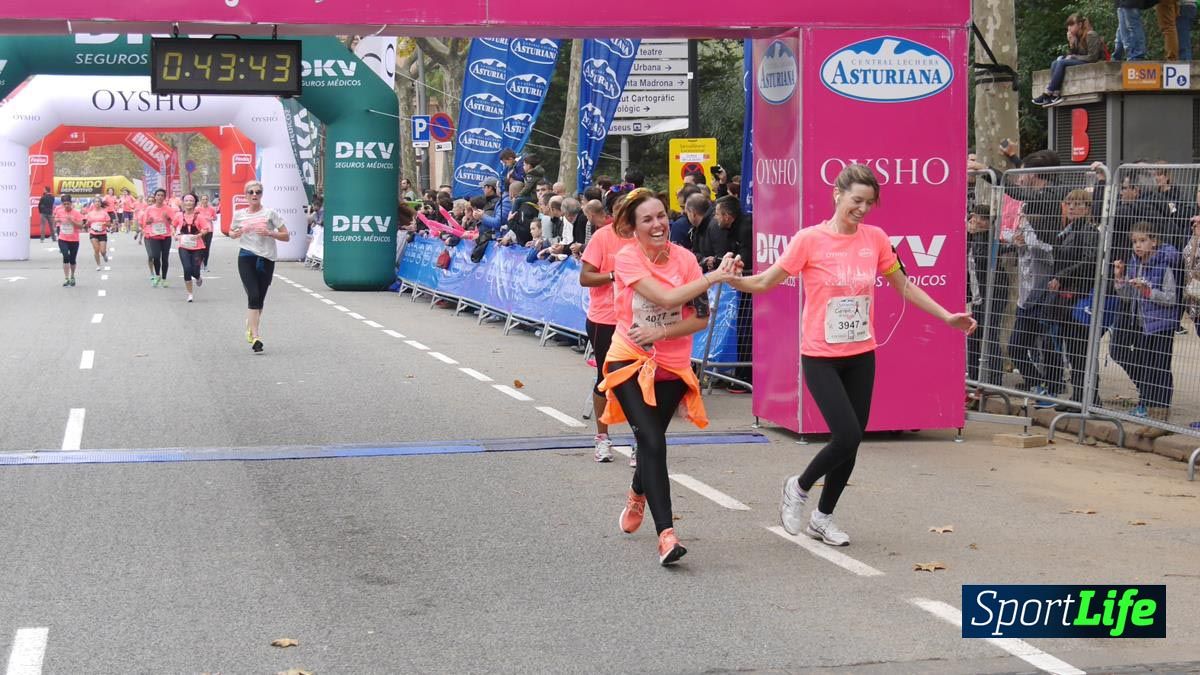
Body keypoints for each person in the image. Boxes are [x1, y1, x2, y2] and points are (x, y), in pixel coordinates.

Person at [725, 164, 976, 547]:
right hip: (820, 354)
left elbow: (903, 284)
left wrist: (947, 316)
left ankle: (822, 519)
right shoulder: (809, 240)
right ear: (837, 194)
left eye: (869, 203)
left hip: (861, 353)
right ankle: (798, 486)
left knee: (852, 442)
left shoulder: (874, 238)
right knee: (846, 434)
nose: (863, 209)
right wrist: (730, 280)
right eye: (857, 200)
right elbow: (765, 281)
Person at [599, 187, 738, 565]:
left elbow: (700, 317)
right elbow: (662, 298)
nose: (658, 224)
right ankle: (666, 535)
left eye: (661, 215)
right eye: (648, 219)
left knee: (651, 442)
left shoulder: (686, 261)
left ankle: (636, 494)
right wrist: (713, 277)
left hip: (672, 365)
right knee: (652, 440)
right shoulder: (627, 258)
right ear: (632, 227)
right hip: (628, 360)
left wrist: (661, 333)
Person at [1113, 221, 1181, 437]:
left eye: (1142, 241)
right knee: (1147, 366)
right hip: (1142, 324)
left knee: (1160, 369)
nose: (1138, 246)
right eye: (1134, 241)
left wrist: (1148, 291)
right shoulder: (1135, 262)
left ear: (1154, 241)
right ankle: (1151, 414)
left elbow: (1171, 298)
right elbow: (1128, 298)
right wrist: (1120, 280)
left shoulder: (1164, 263)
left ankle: (1162, 419)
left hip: (1161, 325)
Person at [579, 204, 634, 463]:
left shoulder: (643, 236)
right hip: (605, 318)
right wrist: (613, 274)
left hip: (637, 319)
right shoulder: (603, 236)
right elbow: (585, 277)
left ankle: (640, 441)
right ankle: (602, 439)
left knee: (639, 380)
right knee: (606, 375)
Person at [230, 180, 289, 353]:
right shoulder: (239, 214)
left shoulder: (270, 213)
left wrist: (270, 233)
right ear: (246, 195)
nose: (254, 195)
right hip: (246, 256)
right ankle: (256, 336)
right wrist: (236, 233)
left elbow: (286, 236)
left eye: (258, 192)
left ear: (261, 194)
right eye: (251, 192)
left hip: (266, 258)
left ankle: (250, 324)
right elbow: (231, 232)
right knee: (253, 295)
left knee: (260, 299)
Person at [1033, 14, 1103, 106]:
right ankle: (1055, 94)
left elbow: (1093, 57)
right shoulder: (1077, 37)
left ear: (1080, 25)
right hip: (1083, 61)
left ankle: (1048, 92)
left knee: (1061, 63)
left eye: (1071, 25)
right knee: (1056, 62)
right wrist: (1071, 43)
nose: (1069, 28)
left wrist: (1074, 57)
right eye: (1068, 26)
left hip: (1092, 62)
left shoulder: (1091, 35)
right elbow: (1074, 54)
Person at [173, 192, 212, 303]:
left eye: (191, 201)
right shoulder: (178, 216)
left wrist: (199, 235)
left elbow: (206, 229)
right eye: (186, 200)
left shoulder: (199, 217)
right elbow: (173, 225)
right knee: (187, 269)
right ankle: (190, 294)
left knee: (195, 270)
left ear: (194, 203)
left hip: (197, 247)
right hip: (183, 246)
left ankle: (198, 277)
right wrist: (175, 234)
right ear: (183, 203)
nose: (188, 202)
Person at [142, 188, 176, 287]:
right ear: (155, 197)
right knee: (156, 256)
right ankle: (157, 275)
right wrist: (150, 221)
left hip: (166, 236)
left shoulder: (168, 209)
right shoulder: (149, 209)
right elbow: (145, 223)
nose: (160, 197)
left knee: (165, 258)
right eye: (158, 195)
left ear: (164, 197)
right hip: (154, 236)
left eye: (162, 195)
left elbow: (173, 222)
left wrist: (168, 218)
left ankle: (164, 278)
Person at [53, 194, 83, 287]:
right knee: (65, 256)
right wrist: (57, 220)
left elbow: (81, 226)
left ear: (71, 203)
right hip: (63, 238)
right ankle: (66, 278)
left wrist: (72, 221)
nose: (66, 206)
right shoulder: (60, 212)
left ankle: (72, 276)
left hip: (74, 240)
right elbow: (55, 220)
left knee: (72, 259)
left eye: (68, 204)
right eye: (64, 204)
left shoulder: (76, 213)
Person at [84, 198, 112, 271]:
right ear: (93, 203)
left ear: (100, 203)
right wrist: (86, 224)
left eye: (98, 202)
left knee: (102, 251)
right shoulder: (90, 213)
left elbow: (109, 224)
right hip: (93, 233)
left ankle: (104, 255)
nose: (97, 203)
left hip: (102, 233)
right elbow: (87, 224)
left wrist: (104, 223)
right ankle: (98, 265)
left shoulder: (104, 213)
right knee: (96, 249)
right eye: (95, 202)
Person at [196, 194, 217, 270]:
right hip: (200, 231)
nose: (205, 201)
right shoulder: (197, 209)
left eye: (206, 199)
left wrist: (211, 218)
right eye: (203, 199)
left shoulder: (211, 209)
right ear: (201, 200)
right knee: (200, 248)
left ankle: (205, 264)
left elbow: (215, 218)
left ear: (208, 200)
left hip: (209, 230)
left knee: (207, 248)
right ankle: (200, 263)